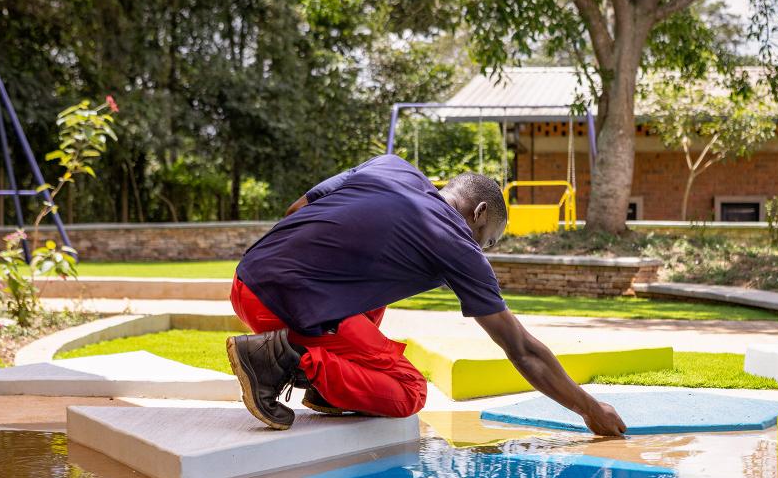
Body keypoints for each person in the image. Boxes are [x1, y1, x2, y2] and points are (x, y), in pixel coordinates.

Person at [226, 154, 626, 436]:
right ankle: (281, 360)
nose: (482, 250)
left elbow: (298, 209)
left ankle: (323, 386)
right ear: (480, 212)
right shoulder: (457, 246)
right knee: (409, 392)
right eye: (487, 240)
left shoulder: (390, 166)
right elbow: (521, 349)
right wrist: (590, 410)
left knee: (376, 292)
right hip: (277, 305)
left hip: (247, 277)